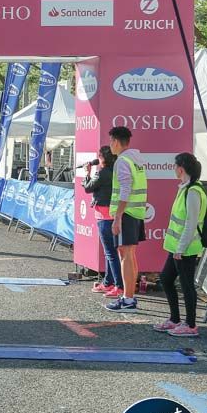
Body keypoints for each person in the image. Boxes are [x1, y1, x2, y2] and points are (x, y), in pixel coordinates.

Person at [152, 153, 206, 337]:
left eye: (175, 166)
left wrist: (180, 249)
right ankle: (175, 319)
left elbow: (191, 224)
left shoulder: (193, 192)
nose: (174, 169)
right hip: (177, 247)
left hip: (185, 249)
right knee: (166, 279)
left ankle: (190, 325)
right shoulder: (185, 188)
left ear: (181, 169)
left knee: (187, 285)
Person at [105, 126, 148, 312]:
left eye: (110, 141)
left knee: (125, 255)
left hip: (127, 213)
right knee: (129, 255)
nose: (110, 145)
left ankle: (128, 299)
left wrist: (118, 217)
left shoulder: (122, 161)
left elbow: (125, 189)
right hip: (136, 212)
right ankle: (129, 297)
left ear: (115, 141)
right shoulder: (136, 159)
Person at [83, 147, 123, 296]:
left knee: (110, 253)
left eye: (99, 157)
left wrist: (87, 173)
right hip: (113, 214)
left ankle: (118, 285)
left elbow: (88, 188)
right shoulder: (117, 171)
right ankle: (108, 282)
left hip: (104, 216)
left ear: (103, 158)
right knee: (111, 252)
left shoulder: (102, 173)